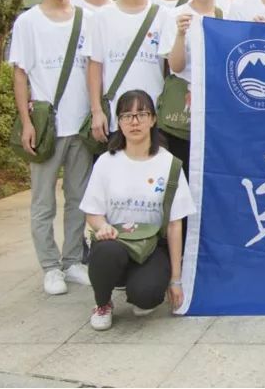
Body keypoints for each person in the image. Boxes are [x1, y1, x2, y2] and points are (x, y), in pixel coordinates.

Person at [9, 0, 92, 295]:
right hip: (47, 127)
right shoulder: (28, 21)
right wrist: (26, 122)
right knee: (43, 201)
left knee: (78, 199)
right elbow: (19, 74)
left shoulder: (87, 18)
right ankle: (49, 266)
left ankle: (72, 261)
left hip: (81, 127)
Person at [81, 90, 195, 330]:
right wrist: (102, 227)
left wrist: (175, 280)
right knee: (106, 252)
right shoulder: (106, 162)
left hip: (152, 247)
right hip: (116, 241)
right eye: (127, 115)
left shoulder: (169, 164)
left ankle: (141, 284)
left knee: (146, 298)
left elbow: (175, 224)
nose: (134, 122)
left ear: (153, 119)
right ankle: (103, 303)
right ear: (119, 122)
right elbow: (92, 211)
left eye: (141, 114)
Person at [83, 0, 169, 143]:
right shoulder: (101, 17)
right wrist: (96, 111)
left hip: (153, 115)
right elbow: (95, 66)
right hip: (114, 116)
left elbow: (169, 67)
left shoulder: (163, 16)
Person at [157, 0, 223, 173]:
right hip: (183, 109)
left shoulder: (228, 13)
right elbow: (175, 67)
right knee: (181, 171)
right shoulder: (176, 16)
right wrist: (180, 35)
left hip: (217, 107)